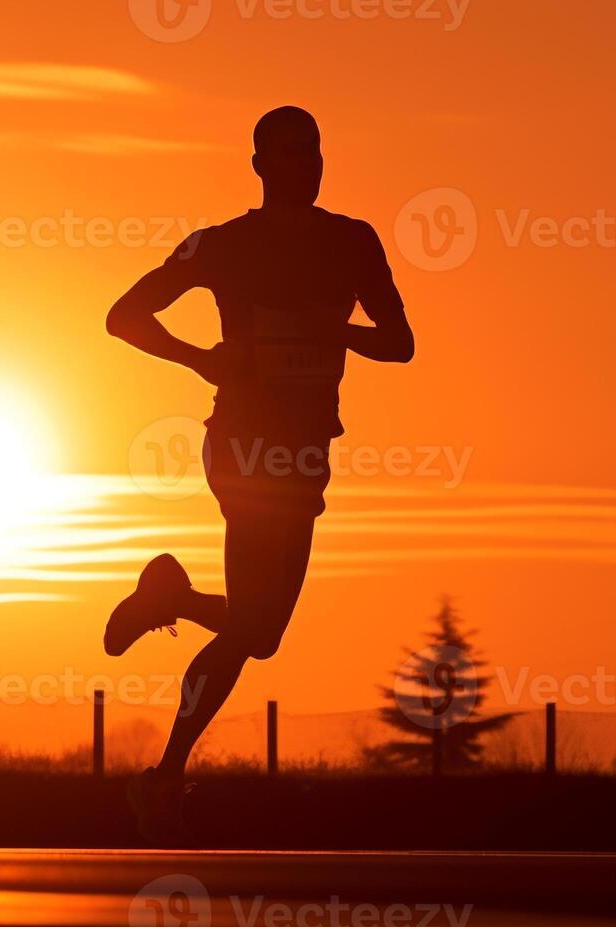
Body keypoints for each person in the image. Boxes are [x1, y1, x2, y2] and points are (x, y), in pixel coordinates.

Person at [103, 105, 415, 843]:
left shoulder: (353, 242)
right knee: (251, 622)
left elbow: (400, 343)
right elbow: (123, 316)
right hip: (241, 445)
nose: (301, 167)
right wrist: (202, 359)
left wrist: (332, 331)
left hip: (306, 449)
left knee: (262, 632)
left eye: (311, 153)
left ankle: (168, 599)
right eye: (285, 156)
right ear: (258, 167)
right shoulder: (221, 245)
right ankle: (163, 781)